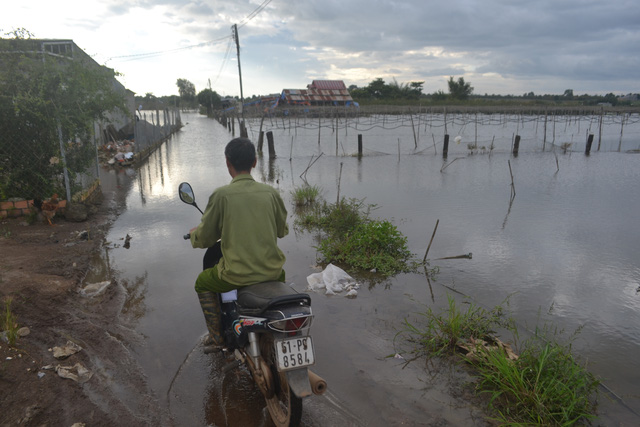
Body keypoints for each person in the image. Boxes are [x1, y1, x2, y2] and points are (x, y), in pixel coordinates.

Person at [189, 137, 288, 348]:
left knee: (202, 282)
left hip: (235, 275)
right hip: (273, 272)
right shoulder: (271, 193)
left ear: (228, 163)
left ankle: (216, 338)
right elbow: (282, 230)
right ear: (254, 162)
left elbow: (206, 237)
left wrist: (195, 235)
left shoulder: (221, 195)